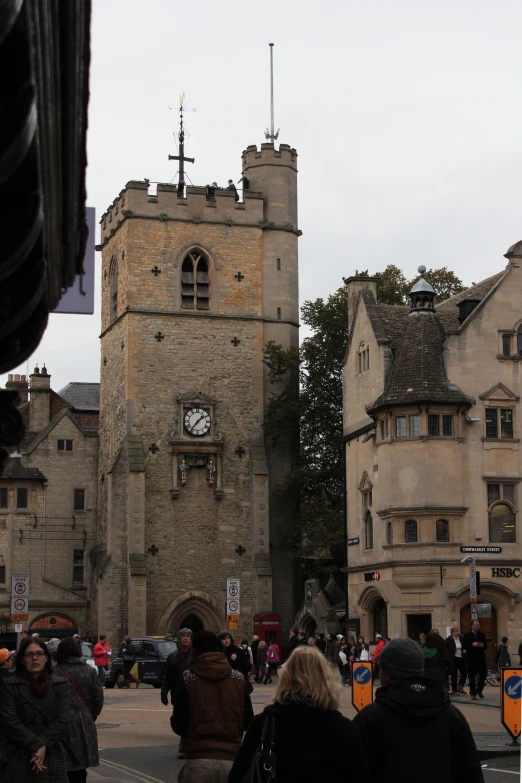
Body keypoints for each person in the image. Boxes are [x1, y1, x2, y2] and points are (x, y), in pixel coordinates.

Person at [229, 646, 369, 783]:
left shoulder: (263, 724)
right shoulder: (345, 728)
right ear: (326, 679)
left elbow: (237, 775)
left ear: (286, 677)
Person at [353, 637, 484, 783]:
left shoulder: (369, 719)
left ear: (387, 674)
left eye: (381, 668)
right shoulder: (452, 716)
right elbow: (472, 774)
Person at [171, 630, 253, 783]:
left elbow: (178, 724)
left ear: (194, 651)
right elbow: (248, 720)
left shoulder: (187, 679)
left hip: (199, 761)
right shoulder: (238, 679)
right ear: (216, 648)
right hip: (232, 762)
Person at [0, 636, 71, 781]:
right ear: (22, 659)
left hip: (50, 755)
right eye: (29, 654)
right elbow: (10, 720)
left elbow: (63, 720)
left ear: (46, 658)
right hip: (19, 754)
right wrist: (36, 744)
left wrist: (44, 744)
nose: (34, 658)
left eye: (39, 654)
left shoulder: (61, 685)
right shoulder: (10, 685)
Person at [55, 637, 104, 783]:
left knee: (61, 767)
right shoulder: (89, 671)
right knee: (80, 769)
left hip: (60, 724)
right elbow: (98, 699)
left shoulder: (54, 672)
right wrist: (90, 715)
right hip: (84, 722)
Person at [161, 628, 193, 759]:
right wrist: (164, 692)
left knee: (191, 720)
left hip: (192, 692)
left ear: (191, 639)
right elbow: (167, 677)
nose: (185, 638)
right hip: (177, 694)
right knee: (181, 720)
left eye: (188, 636)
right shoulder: (172, 656)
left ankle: (184, 747)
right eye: (183, 636)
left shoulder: (196, 656)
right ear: (179, 639)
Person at [463, 619, 487, 700]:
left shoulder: (481, 634)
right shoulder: (466, 635)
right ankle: (473, 693)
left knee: (483, 675)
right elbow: (465, 646)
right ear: (472, 626)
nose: (478, 626)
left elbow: (486, 645)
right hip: (471, 658)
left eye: (479, 625)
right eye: (476, 625)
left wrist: (482, 645)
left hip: (481, 658)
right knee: (471, 676)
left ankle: (479, 690)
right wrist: (472, 645)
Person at [423, 631, 449, 697]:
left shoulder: (421, 651)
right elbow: (449, 664)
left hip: (426, 680)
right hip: (441, 679)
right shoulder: (442, 651)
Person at [445, 626, 467, 695]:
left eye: (457, 631)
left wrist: (464, 650)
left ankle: (460, 687)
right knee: (454, 674)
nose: (457, 633)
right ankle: (454, 690)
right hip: (453, 659)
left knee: (464, 672)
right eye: (455, 631)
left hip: (461, 658)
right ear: (452, 633)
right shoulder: (449, 639)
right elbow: (445, 649)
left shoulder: (461, 638)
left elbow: (463, 646)